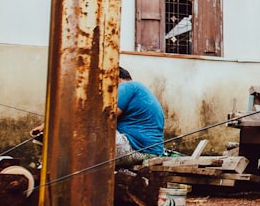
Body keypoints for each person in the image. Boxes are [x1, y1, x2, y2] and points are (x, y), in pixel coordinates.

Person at [30, 67, 165, 168]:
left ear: (117, 79)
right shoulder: (139, 92)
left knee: (89, 128)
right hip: (146, 150)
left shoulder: (128, 86)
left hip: (137, 149)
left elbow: (102, 118)